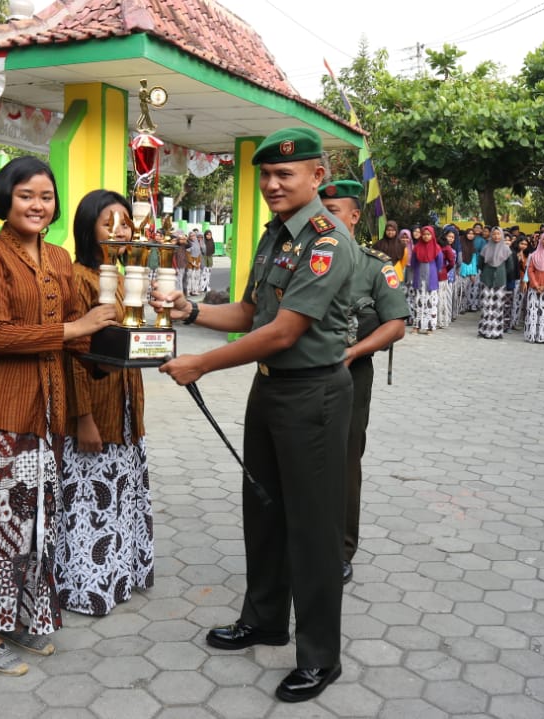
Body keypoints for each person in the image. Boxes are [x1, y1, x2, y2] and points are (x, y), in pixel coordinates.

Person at [154, 128, 355, 703]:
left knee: (313, 531)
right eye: (265, 175)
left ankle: (320, 657)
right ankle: (265, 619)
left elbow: (285, 330)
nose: (271, 184)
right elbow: (248, 311)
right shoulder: (275, 238)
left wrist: (202, 365)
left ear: (317, 177)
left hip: (313, 395)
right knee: (263, 514)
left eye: (284, 174)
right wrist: (191, 309)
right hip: (270, 392)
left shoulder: (326, 241)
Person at [0, 157, 116, 676]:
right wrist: (76, 331)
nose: (37, 204)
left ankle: (19, 618)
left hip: (49, 410)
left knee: (37, 522)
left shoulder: (58, 257)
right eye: (26, 194)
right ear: (7, 197)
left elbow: (78, 331)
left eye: (46, 196)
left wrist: (128, 345)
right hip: (2, 408)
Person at [57, 189, 154, 616]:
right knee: (90, 500)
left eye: (124, 221)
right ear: (87, 229)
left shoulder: (119, 274)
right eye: (107, 222)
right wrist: (84, 418)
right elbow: (74, 353)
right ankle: (87, 585)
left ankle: (120, 573)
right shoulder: (79, 277)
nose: (119, 229)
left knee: (120, 493)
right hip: (95, 408)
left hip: (125, 404)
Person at [319, 179, 408, 585]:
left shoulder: (374, 266)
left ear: (354, 216)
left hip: (350, 375)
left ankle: (339, 548)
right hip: (299, 373)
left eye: (333, 210)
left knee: (344, 461)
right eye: (320, 209)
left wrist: (353, 352)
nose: (323, 217)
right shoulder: (305, 256)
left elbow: (395, 326)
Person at [477, 228, 514, 339]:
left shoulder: (506, 249)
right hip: (486, 279)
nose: (496, 236)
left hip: (500, 280)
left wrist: (500, 272)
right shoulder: (486, 248)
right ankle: (484, 330)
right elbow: (480, 264)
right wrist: (486, 273)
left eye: (498, 234)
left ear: (502, 235)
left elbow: (510, 267)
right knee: (486, 305)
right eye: (494, 234)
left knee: (497, 306)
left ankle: (496, 332)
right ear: (491, 235)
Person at [407, 226, 443, 334]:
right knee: (418, 302)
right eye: (424, 234)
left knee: (430, 303)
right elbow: (413, 262)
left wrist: (435, 273)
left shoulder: (436, 247)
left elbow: (439, 263)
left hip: (431, 276)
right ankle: (416, 326)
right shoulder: (417, 247)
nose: (426, 236)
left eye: (428, 234)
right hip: (419, 276)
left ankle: (429, 327)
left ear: (432, 235)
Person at [437, 226, 457, 328]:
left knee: (444, 298)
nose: (450, 239)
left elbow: (452, 263)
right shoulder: (439, 246)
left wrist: (445, 269)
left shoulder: (448, 248)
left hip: (446, 276)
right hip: (439, 275)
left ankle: (444, 320)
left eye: (452, 237)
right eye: (449, 236)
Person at [458, 227, 480, 313]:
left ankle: (463, 307)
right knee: (460, 290)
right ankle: (458, 307)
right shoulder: (461, 243)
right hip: (460, 270)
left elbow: (474, 261)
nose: (471, 235)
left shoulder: (472, 246)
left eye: (472, 234)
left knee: (466, 290)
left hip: (468, 271)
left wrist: (473, 273)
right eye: (469, 233)